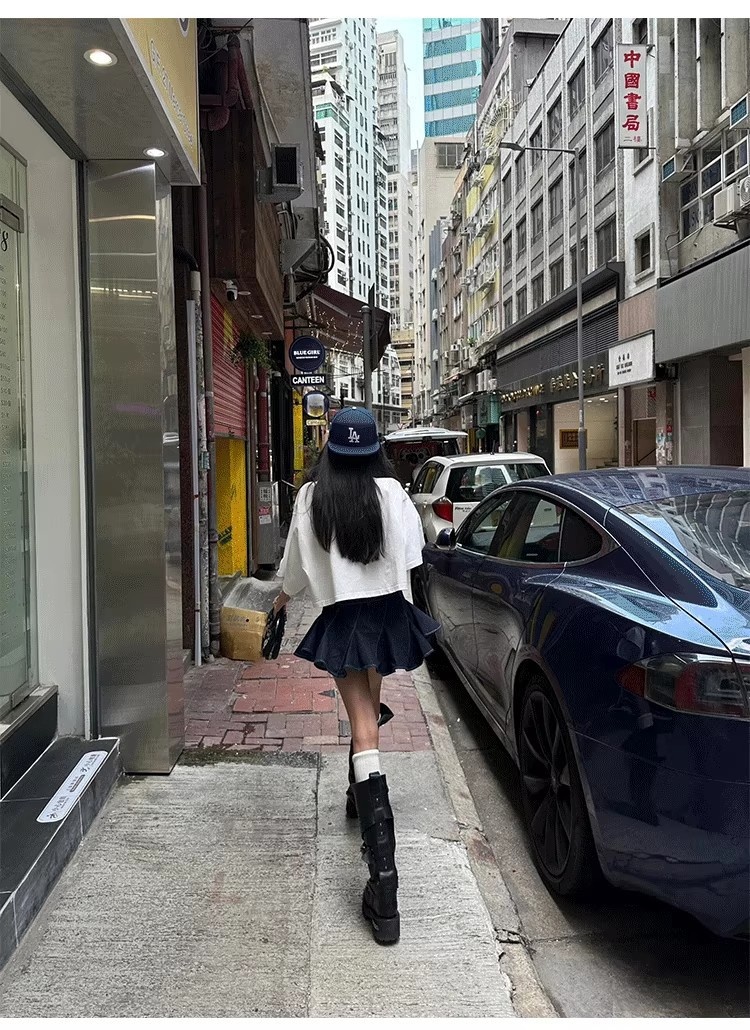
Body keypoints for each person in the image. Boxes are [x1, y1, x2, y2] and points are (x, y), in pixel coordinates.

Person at [272, 407, 439, 945]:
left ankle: (384, 884)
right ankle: (357, 792)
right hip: (388, 612)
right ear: (373, 450)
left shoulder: (310, 498)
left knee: (363, 726)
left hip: (345, 618)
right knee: (370, 710)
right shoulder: (393, 494)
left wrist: (278, 604)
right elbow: (412, 557)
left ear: (330, 449)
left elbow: (294, 572)